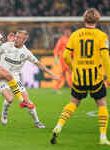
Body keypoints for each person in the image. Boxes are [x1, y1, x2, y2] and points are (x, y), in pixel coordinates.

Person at [50, 8, 110, 145]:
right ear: (97, 20)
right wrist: (109, 77)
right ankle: (102, 137)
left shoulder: (75, 35)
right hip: (96, 77)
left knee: (73, 103)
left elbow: (65, 56)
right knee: (101, 103)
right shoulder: (102, 36)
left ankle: (58, 126)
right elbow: (106, 58)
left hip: (79, 76)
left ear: (84, 19)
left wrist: (74, 69)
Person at [0, 30, 60, 128]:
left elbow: (39, 65)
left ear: (24, 40)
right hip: (2, 76)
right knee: (10, 99)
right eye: (16, 36)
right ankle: (4, 113)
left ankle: (37, 121)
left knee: (27, 100)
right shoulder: (7, 46)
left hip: (15, 78)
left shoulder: (26, 53)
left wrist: (52, 75)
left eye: (19, 38)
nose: (16, 39)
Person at [53, 28, 72, 94]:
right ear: (65, 32)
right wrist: (56, 57)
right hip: (64, 59)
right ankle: (73, 88)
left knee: (63, 74)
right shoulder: (62, 39)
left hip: (70, 58)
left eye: (68, 31)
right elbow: (56, 49)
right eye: (66, 31)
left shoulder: (72, 39)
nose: (67, 32)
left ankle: (56, 88)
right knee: (69, 72)